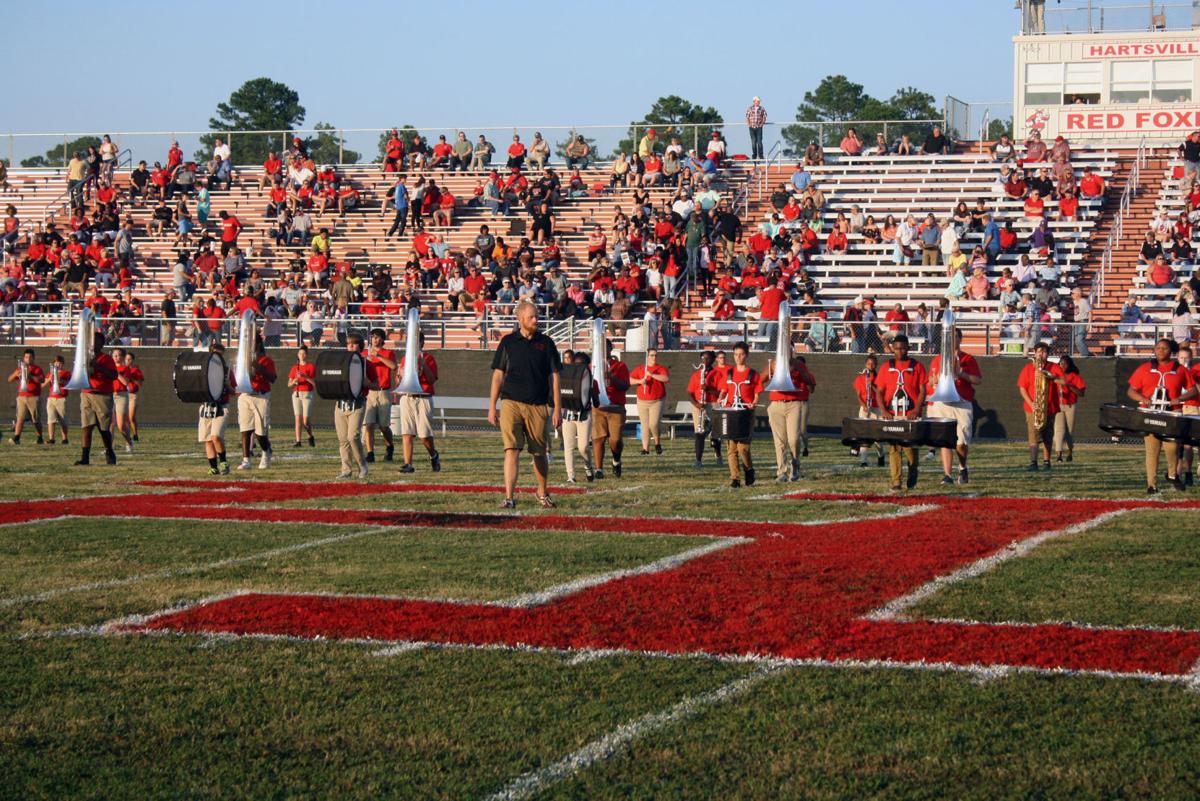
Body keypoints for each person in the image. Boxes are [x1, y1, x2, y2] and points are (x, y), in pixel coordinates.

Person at [488, 300, 562, 508]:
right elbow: (498, 375)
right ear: (520, 319)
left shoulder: (546, 343)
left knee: (539, 452)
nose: (536, 320)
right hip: (510, 402)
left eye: (536, 316)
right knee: (511, 449)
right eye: (531, 317)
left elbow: (555, 377)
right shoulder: (508, 342)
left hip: (538, 405)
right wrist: (492, 406)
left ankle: (542, 492)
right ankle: (509, 498)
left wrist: (557, 407)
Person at [1127, 338, 1197, 493]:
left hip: (1172, 413)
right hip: (1150, 413)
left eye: (1164, 348)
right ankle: (1151, 485)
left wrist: (1179, 398)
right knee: (1152, 450)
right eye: (1158, 348)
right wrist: (1142, 398)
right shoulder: (1144, 368)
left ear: (1171, 351)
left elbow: (1193, 391)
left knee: (1172, 447)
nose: (1160, 351)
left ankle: (1172, 474)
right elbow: (1131, 391)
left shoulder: (1180, 370)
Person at [926, 330, 982, 485]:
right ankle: (947, 475)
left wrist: (961, 374)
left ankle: (963, 467)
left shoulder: (968, 359)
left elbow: (978, 380)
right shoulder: (938, 359)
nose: (952, 340)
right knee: (945, 441)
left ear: (960, 339)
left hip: (961, 403)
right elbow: (930, 380)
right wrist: (934, 380)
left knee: (961, 443)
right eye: (949, 337)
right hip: (943, 403)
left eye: (955, 337)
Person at [874, 335, 926, 492]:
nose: (899, 351)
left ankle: (913, 472)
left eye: (903, 348)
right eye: (896, 348)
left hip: (910, 414)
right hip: (892, 413)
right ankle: (896, 481)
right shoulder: (886, 367)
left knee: (910, 448)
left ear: (908, 348)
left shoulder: (917, 366)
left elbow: (922, 390)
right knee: (894, 448)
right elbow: (879, 391)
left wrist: (916, 410)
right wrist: (883, 410)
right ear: (892, 348)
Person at [766, 348, 816, 482]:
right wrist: (771, 368)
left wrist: (798, 367)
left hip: (794, 404)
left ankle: (795, 464)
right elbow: (761, 379)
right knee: (779, 441)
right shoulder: (774, 363)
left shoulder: (798, 364)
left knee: (794, 439)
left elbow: (810, 384)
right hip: (776, 403)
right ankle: (781, 472)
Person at [717, 342, 763, 488]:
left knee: (743, 448)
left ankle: (749, 470)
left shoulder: (752, 374)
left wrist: (754, 402)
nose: (738, 357)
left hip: (745, 413)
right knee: (731, 448)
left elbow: (757, 393)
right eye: (736, 354)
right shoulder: (729, 373)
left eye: (741, 354)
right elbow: (723, 390)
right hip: (731, 412)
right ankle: (735, 478)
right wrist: (720, 398)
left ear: (746, 355)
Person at [395, 329, 441, 473]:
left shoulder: (429, 358)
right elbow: (398, 381)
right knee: (407, 433)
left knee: (424, 436)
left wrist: (423, 364)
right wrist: (400, 375)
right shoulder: (405, 359)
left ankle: (433, 455)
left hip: (423, 398)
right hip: (407, 397)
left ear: (421, 343)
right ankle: (408, 464)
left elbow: (431, 380)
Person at [1018, 342, 1067, 472]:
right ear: (1035, 353)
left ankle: (1046, 462)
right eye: (1039, 351)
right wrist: (1031, 403)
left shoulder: (1053, 367)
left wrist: (1051, 377)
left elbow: (1064, 381)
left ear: (1048, 354)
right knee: (1033, 435)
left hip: (1050, 407)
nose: (1041, 354)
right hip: (1032, 408)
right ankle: (1033, 462)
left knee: (1047, 436)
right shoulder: (1028, 368)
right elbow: (1022, 388)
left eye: (1044, 352)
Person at [334, 333, 375, 480]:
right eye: (348, 343)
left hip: (357, 404)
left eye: (354, 343)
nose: (350, 346)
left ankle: (362, 465)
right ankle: (346, 470)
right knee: (343, 439)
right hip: (340, 404)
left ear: (360, 346)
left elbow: (377, 384)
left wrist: (367, 384)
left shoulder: (366, 364)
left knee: (353, 436)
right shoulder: (340, 362)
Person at [74, 331, 119, 466]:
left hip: (102, 395)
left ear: (101, 344)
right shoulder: (84, 357)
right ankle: (85, 458)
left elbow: (114, 375)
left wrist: (97, 366)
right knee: (86, 426)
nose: (92, 344)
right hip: (86, 393)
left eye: (96, 341)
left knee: (103, 428)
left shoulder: (106, 358)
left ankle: (109, 451)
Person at [234, 333, 276, 471]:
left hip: (261, 396)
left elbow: (272, 378)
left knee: (260, 433)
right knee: (245, 430)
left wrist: (257, 367)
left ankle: (266, 451)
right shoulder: (242, 359)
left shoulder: (266, 360)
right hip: (245, 395)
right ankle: (246, 460)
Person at [591, 339, 631, 478]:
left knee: (615, 440)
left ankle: (616, 460)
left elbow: (625, 386)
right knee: (598, 438)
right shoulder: (593, 365)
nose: (603, 351)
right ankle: (599, 469)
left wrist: (612, 378)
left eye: (605, 348)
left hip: (615, 407)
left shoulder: (620, 366)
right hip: (598, 407)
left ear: (610, 349)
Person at [559, 351, 597, 483]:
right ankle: (571, 476)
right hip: (568, 414)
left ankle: (588, 466)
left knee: (583, 447)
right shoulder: (566, 378)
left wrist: (591, 391)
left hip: (584, 415)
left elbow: (596, 402)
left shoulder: (591, 380)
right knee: (568, 446)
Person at [361, 328, 397, 464]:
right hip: (369, 392)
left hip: (384, 391)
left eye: (377, 337)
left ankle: (390, 446)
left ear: (382, 339)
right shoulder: (365, 353)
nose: (374, 339)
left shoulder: (388, 353)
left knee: (383, 426)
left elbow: (393, 366)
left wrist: (379, 356)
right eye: (372, 337)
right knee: (368, 424)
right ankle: (370, 453)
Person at [197, 342, 232, 475]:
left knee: (215, 436)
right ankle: (213, 468)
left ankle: (224, 463)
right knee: (207, 439)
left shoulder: (227, 370)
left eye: (221, 355)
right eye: (216, 354)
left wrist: (227, 386)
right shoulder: (203, 370)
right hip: (206, 407)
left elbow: (233, 391)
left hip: (221, 407)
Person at [630, 349, 670, 456]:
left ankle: (657, 442)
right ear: (647, 357)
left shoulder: (661, 368)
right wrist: (639, 381)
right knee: (645, 425)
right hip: (642, 401)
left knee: (653, 424)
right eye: (652, 355)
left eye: (655, 355)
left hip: (657, 401)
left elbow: (665, 378)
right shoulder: (640, 369)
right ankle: (645, 449)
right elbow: (629, 379)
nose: (654, 357)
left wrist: (651, 375)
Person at [687, 350, 722, 468]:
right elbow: (690, 392)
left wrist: (708, 389)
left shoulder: (717, 374)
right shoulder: (696, 374)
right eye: (703, 358)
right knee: (699, 432)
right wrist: (696, 404)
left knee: (715, 434)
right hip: (699, 406)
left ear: (713, 360)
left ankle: (718, 455)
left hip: (713, 404)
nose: (705, 361)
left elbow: (721, 393)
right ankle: (698, 460)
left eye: (707, 358)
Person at [852, 354, 885, 467]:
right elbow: (858, 395)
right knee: (864, 435)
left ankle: (881, 455)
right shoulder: (860, 378)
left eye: (873, 364)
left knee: (877, 437)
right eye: (868, 363)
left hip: (876, 408)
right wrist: (863, 405)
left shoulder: (880, 377)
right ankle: (864, 461)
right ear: (865, 364)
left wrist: (872, 385)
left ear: (876, 365)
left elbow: (881, 394)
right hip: (865, 408)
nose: (870, 366)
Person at [1053, 354, 1086, 463]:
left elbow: (1081, 393)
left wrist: (1068, 385)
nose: (1062, 366)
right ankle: (1059, 455)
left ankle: (1070, 452)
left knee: (1069, 431)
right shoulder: (1056, 376)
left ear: (1069, 365)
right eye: (1061, 363)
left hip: (1070, 406)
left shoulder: (1075, 377)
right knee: (1059, 430)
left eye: (1065, 364)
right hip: (1058, 405)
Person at [7, 349, 45, 445]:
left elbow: (41, 380)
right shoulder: (20, 368)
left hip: (34, 397)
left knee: (35, 420)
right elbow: (9, 379)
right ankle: (16, 438)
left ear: (33, 358)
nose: (28, 359)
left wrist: (29, 375)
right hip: (22, 397)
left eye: (30, 357)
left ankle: (40, 437)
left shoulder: (37, 369)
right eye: (26, 357)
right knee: (20, 418)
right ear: (24, 358)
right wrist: (16, 374)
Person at [288, 346, 317, 448]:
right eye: (300, 353)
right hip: (296, 394)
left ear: (307, 355)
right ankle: (298, 441)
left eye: (304, 353)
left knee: (305, 420)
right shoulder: (294, 368)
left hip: (307, 395)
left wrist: (305, 377)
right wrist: (294, 381)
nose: (302, 355)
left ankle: (310, 436)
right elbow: (289, 384)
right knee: (297, 419)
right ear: (298, 355)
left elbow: (314, 383)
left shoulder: (311, 367)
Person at [45, 355, 70, 446]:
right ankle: (51, 438)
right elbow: (43, 384)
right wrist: (49, 379)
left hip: (61, 398)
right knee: (51, 419)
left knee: (63, 420)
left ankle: (65, 438)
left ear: (62, 364)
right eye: (56, 363)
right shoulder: (50, 373)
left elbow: (68, 383)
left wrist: (59, 380)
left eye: (60, 363)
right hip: (51, 398)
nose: (58, 365)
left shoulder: (67, 373)